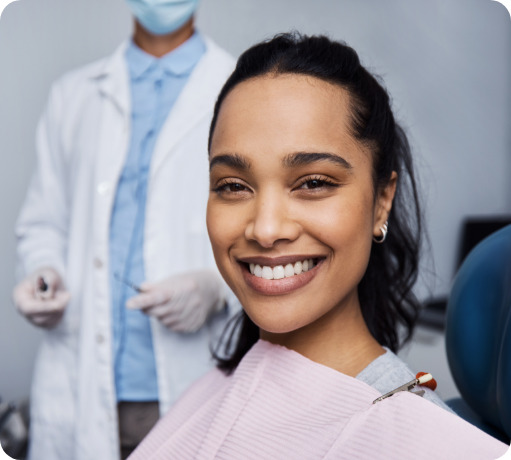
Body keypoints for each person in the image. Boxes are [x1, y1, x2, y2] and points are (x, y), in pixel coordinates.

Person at [129, 33, 508, 459]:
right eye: (233, 185)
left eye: (313, 183)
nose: (266, 229)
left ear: (382, 199)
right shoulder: (211, 388)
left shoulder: (429, 444)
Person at [12, 1, 238, 459]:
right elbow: (43, 222)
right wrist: (44, 272)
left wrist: (218, 288)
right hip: (78, 384)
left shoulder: (240, 89)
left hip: (188, 384)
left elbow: (266, 225)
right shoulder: (73, 95)